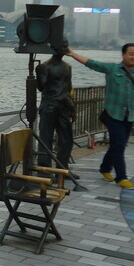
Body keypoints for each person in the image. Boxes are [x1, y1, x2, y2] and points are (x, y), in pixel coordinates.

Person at [66, 43, 134, 189]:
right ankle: (121, 177)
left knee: (119, 145)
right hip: (113, 114)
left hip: (128, 116)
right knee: (118, 145)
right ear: (123, 55)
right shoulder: (112, 69)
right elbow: (92, 63)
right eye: (131, 53)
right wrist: (72, 53)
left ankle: (105, 168)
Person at [35, 44, 75, 173]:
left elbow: (68, 87)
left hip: (64, 106)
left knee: (67, 139)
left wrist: (71, 106)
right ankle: (44, 169)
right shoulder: (45, 67)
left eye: (65, 46)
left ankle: (62, 169)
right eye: (61, 46)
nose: (63, 49)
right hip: (49, 106)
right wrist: (38, 74)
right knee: (45, 139)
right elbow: (41, 87)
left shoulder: (67, 67)